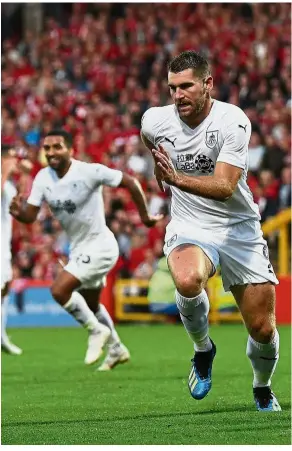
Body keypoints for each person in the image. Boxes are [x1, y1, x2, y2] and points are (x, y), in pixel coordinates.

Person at [141, 50, 281, 411]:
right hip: (190, 224)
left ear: (208, 84)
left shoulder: (232, 121)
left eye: (186, 86)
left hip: (239, 229)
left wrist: (174, 178)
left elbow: (225, 187)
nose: (178, 95)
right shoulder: (154, 121)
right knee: (188, 280)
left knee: (263, 331)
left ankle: (261, 387)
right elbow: (152, 145)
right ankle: (203, 350)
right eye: (172, 87)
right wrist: (161, 172)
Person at [10, 130, 162, 370]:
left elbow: (130, 182)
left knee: (59, 291)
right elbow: (31, 215)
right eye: (47, 148)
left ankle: (95, 331)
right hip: (79, 248)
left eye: (57, 147)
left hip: (101, 245)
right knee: (91, 305)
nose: (51, 153)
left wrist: (145, 218)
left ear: (70, 149)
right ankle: (116, 349)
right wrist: (18, 212)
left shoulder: (90, 171)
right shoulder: (42, 178)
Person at [1, 146, 24, 355]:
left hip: (4, 243)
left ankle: (2, 335)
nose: (15, 161)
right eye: (11, 158)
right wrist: (5, 169)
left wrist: (23, 175)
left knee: (5, 287)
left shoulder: (7, 184)